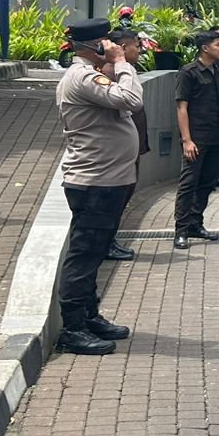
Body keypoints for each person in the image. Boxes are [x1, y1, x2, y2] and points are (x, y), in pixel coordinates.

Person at [53, 19, 140, 356]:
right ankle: (73, 328)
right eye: (106, 42)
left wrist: (115, 66)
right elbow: (131, 99)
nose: (112, 46)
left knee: (95, 253)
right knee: (84, 254)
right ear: (96, 46)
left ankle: (89, 316)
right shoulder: (82, 77)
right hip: (94, 182)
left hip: (107, 180)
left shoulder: (92, 75)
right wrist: (121, 62)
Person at [174, 30, 219, 250]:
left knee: (208, 182)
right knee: (188, 183)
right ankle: (181, 230)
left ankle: (195, 224)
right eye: (218, 44)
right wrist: (187, 140)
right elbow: (182, 107)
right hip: (196, 137)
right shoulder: (188, 72)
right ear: (205, 48)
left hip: (215, 137)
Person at [104, 27, 151, 262]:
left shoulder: (126, 70)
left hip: (132, 145)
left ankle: (109, 240)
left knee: (125, 194)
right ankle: (106, 243)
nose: (139, 50)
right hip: (119, 151)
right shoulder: (110, 72)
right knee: (116, 199)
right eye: (136, 46)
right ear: (122, 48)